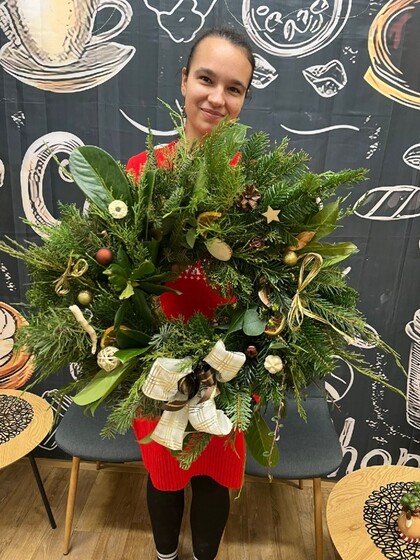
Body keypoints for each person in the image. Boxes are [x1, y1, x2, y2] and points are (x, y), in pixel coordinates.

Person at [127, 27, 255, 560]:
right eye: (206, 79)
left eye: (234, 88)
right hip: (156, 366)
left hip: (229, 365)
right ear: (183, 81)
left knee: (214, 477)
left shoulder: (256, 186)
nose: (217, 98)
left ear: (243, 99)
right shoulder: (141, 173)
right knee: (164, 473)